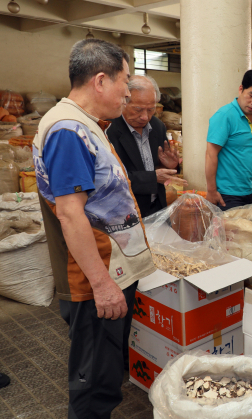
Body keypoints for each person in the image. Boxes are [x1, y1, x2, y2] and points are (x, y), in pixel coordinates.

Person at [33, 39, 157, 418]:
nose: (128, 91)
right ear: (101, 81)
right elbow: (71, 215)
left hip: (111, 270)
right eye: (125, 81)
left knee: (106, 374)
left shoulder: (87, 125)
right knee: (94, 387)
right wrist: (103, 286)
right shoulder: (69, 130)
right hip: (94, 281)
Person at [108, 75, 187, 218]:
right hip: (124, 213)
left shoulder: (157, 126)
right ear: (123, 101)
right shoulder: (108, 129)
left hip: (157, 209)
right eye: (138, 109)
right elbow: (110, 177)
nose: (145, 117)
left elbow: (158, 168)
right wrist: (153, 177)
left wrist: (170, 166)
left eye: (151, 110)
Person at [206, 69, 252, 211]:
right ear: (241, 89)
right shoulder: (225, 115)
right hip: (227, 194)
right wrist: (211, 191)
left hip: (250, 191)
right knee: (230, 233)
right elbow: (211, 154)